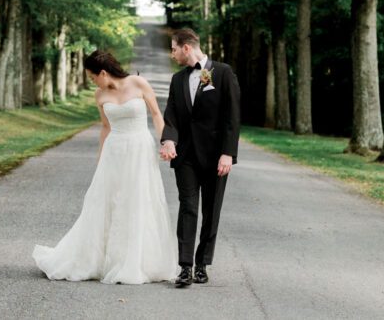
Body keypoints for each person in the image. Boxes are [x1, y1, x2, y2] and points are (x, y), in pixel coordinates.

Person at [33, 50, 177, 284]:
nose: (92, 83)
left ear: (103, 72)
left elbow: (156, 114)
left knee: (138, 200)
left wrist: (166, 142)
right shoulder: (100, 96)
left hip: (139, 149)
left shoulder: (138, 83)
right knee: (108, 202)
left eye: (92, 78)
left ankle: (138, 260)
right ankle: (104, 259)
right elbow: (105, 127)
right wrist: (101, 158)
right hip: (115, 151)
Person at [160, 27, 240, 287]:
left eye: (173, 49)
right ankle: (185, 267)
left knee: (211, 210)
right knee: (188, 207)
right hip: (186, 157)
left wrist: (228, 153)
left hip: (216, 156)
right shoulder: (177, 80)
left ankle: (202, 263)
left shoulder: (221, 72)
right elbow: (171, 115)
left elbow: (232, 117)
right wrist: (169, 139)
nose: (172, 54)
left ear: (186, 47)